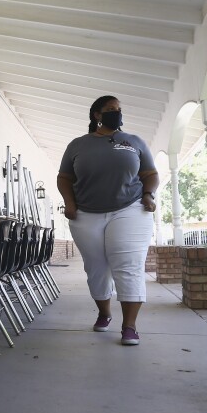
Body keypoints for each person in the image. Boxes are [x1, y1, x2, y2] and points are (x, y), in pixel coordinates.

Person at [56, 95, 159, 346]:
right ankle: (104, 313)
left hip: (130, 209)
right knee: (96, 267)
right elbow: (64, 178)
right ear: (97, 115)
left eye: (119, 110)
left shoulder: (133, 142)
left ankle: (130, 326)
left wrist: (148, 194)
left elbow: (150, 174)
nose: (117, 113)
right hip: (86, 213)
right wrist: (69, 203)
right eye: (111, 110)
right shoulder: (78, 145)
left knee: (128, 265)